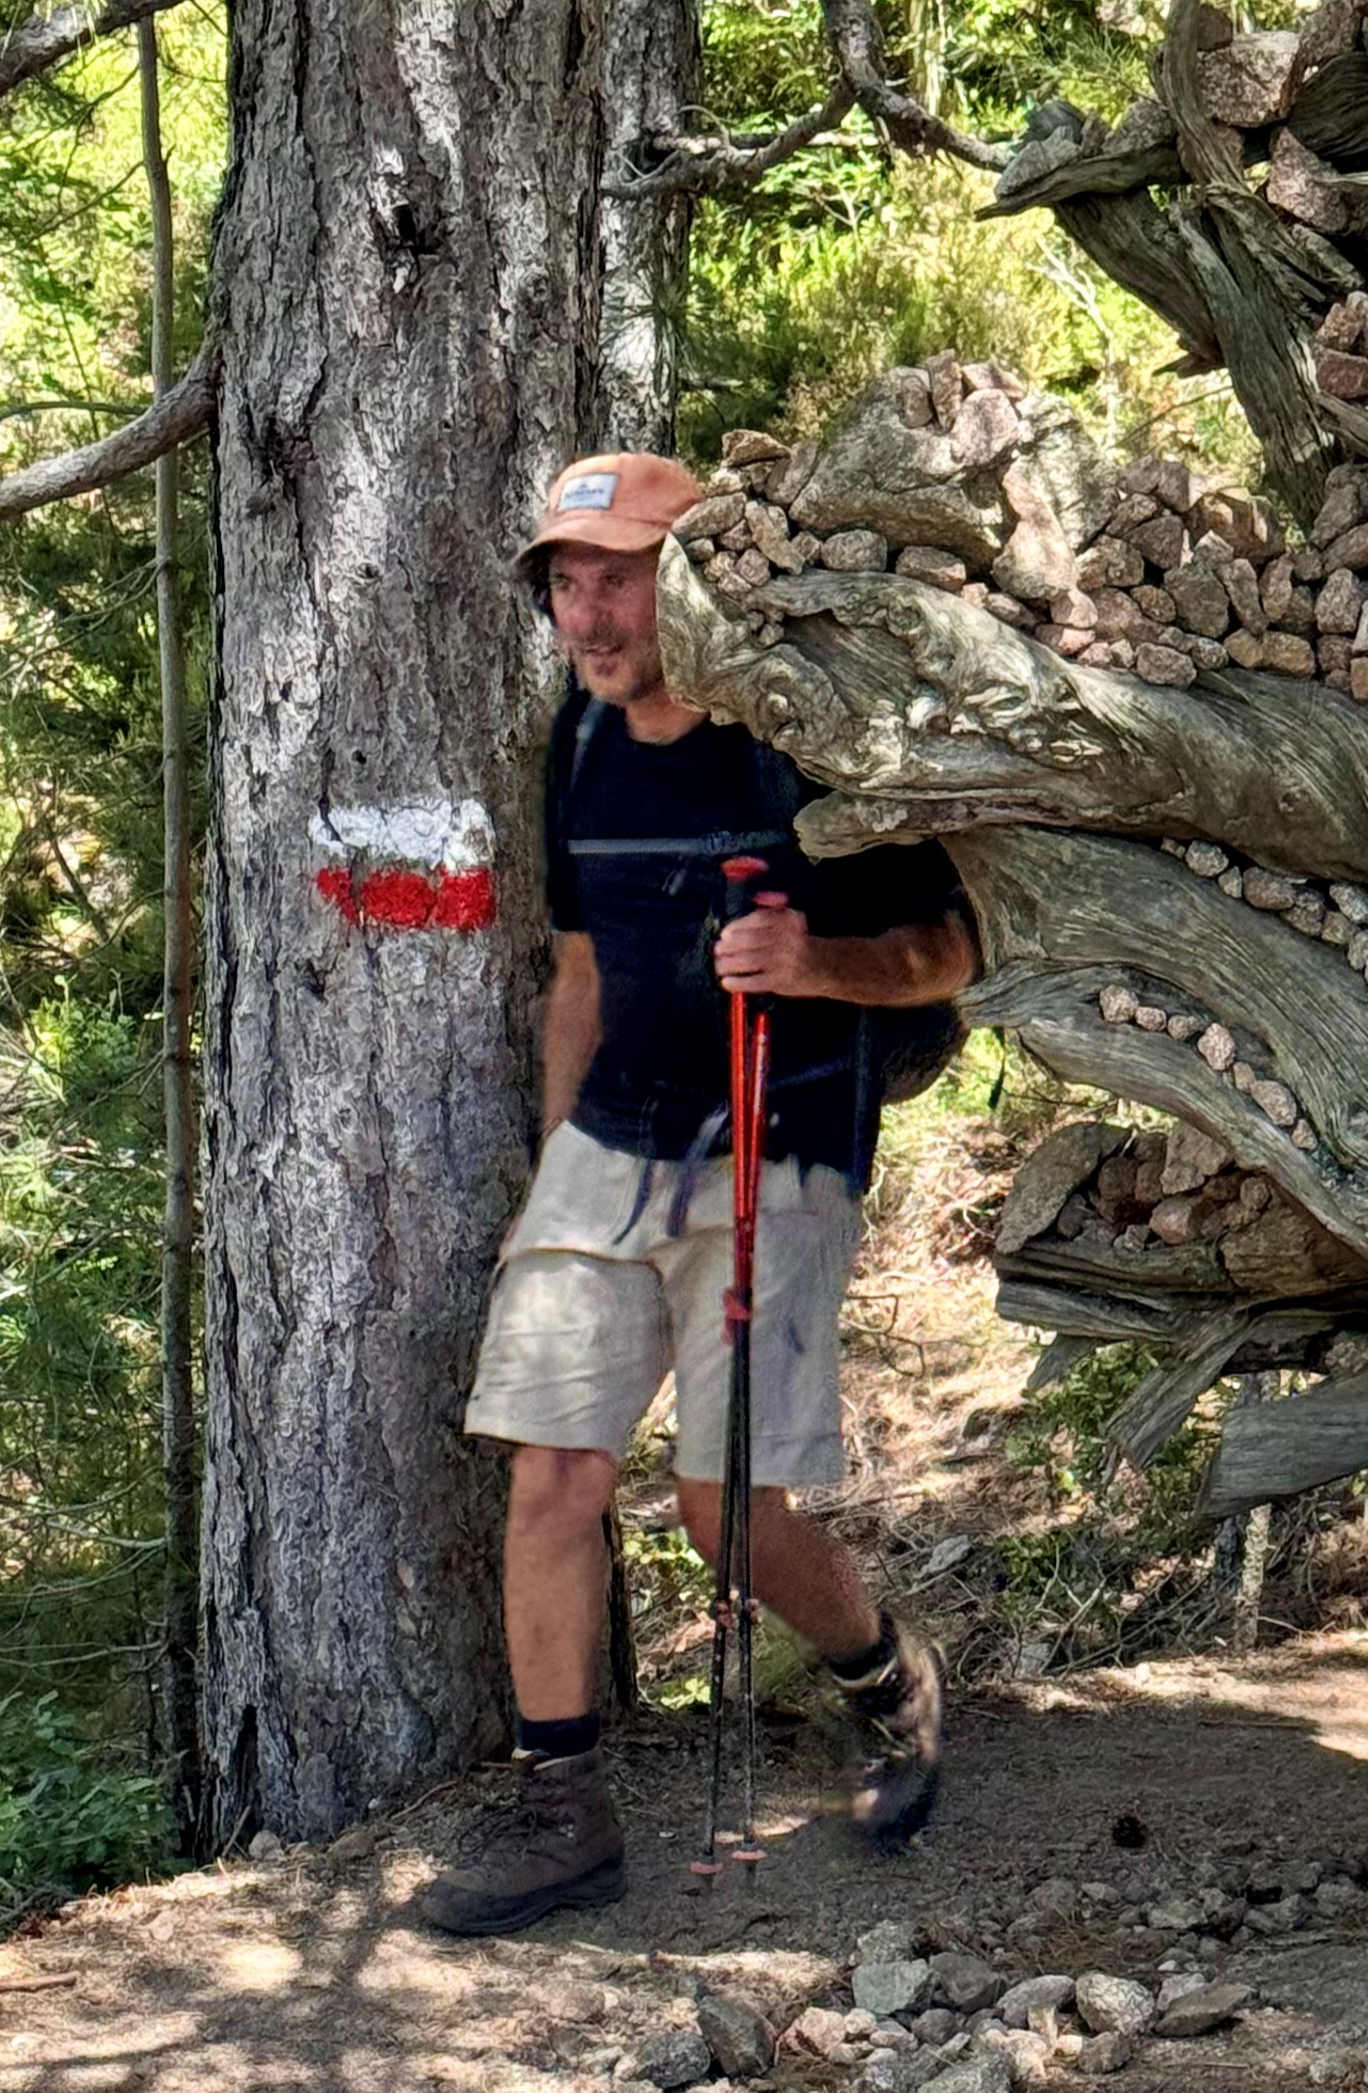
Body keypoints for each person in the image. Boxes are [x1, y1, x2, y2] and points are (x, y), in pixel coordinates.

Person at [419, 450, 980, 1937]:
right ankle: (563, 1814)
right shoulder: (580, 743)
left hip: (784, 1137)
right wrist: (558, 1164)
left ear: (692, 589)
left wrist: (815, 969)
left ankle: (886, 1674)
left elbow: (947, 954)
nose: (589, 616)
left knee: (724, 1508)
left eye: (620, 578)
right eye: (567, 582)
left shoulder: (796, 746)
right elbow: (583, 972)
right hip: (612, 1139)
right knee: (550, 1466)